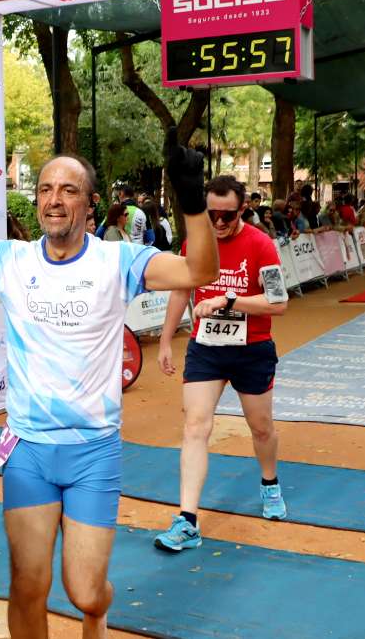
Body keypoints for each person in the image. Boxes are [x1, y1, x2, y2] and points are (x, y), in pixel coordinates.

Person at [0, 127, 218, 639]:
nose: (53, 199)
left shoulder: (119, 260)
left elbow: (199, 269)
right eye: (45, 189)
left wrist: (192, 201)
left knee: (84, 590)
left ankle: (97, 610)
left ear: (90, 205)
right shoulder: (10, 259)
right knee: (28, 587)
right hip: (28, 453)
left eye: (68, 190)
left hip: (92, 452)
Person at [155, 175, 288, 552]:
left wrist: (229, 301)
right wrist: (166, 339)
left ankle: (269, 482)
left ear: (242, 209)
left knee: (261, 429)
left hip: (252, 349)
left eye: (226, 216)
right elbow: (182, 289)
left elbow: (279, 303)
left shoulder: (261, 245)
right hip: (206, 347)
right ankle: (187, 520)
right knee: (195, 425)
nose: (217, 223)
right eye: (211, 214)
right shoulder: (196, 242)